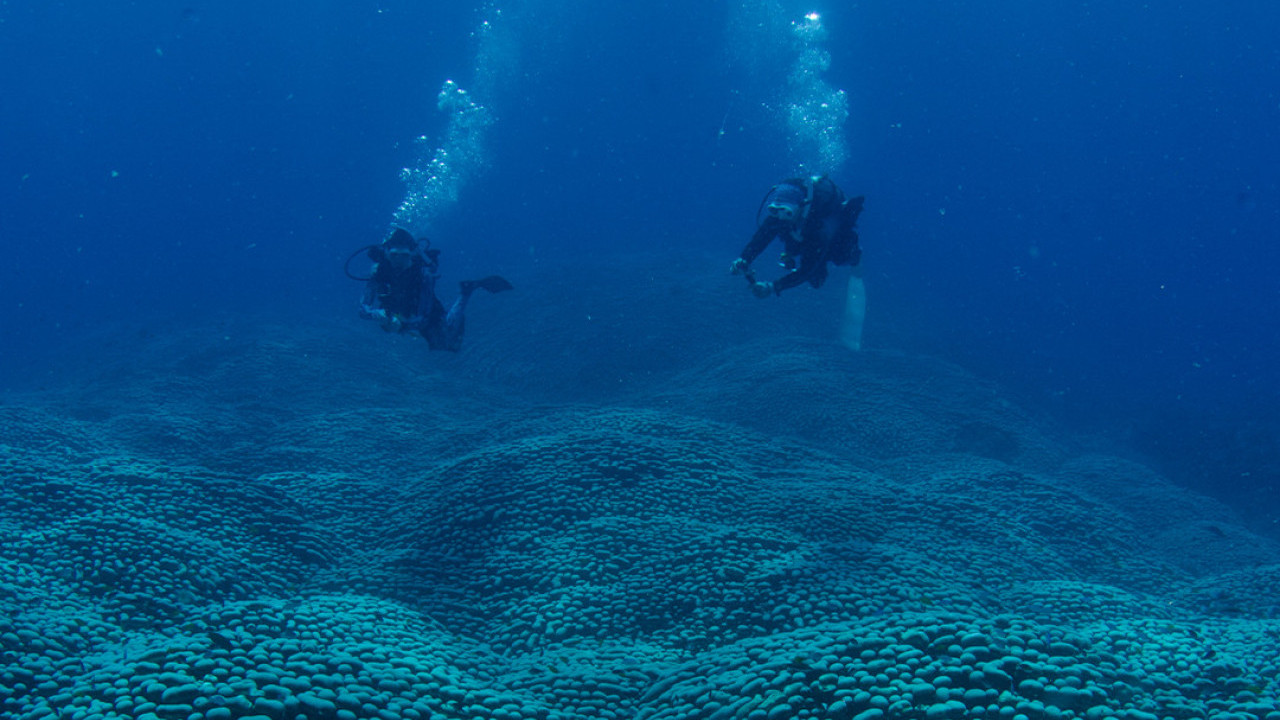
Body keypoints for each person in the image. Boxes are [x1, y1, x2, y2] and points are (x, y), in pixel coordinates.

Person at [352, 227, 512, 352]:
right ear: (386, 254)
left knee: (446, 341)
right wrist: (378, 315)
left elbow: (424, 317)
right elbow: (362, 309)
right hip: (396, 312)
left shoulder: (423, 275)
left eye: (404, 256)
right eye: (394, 256)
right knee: (389, 328)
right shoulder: (379, 272)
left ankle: (466, 291)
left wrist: (402, 326)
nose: (398, 263)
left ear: (412, 255)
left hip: (421, 311)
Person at [729, 175, 863, 298]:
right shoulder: (778, 217)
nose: (781, 217)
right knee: (812, 273)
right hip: (803, 236)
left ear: (801, 207)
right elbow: (761, 238)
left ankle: (855, 258)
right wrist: (744, 259)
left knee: (822, 273)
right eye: (775, 210)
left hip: (826, 241)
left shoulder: (818, 228)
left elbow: (806, 271)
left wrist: (773, 287)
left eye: (787, 213)